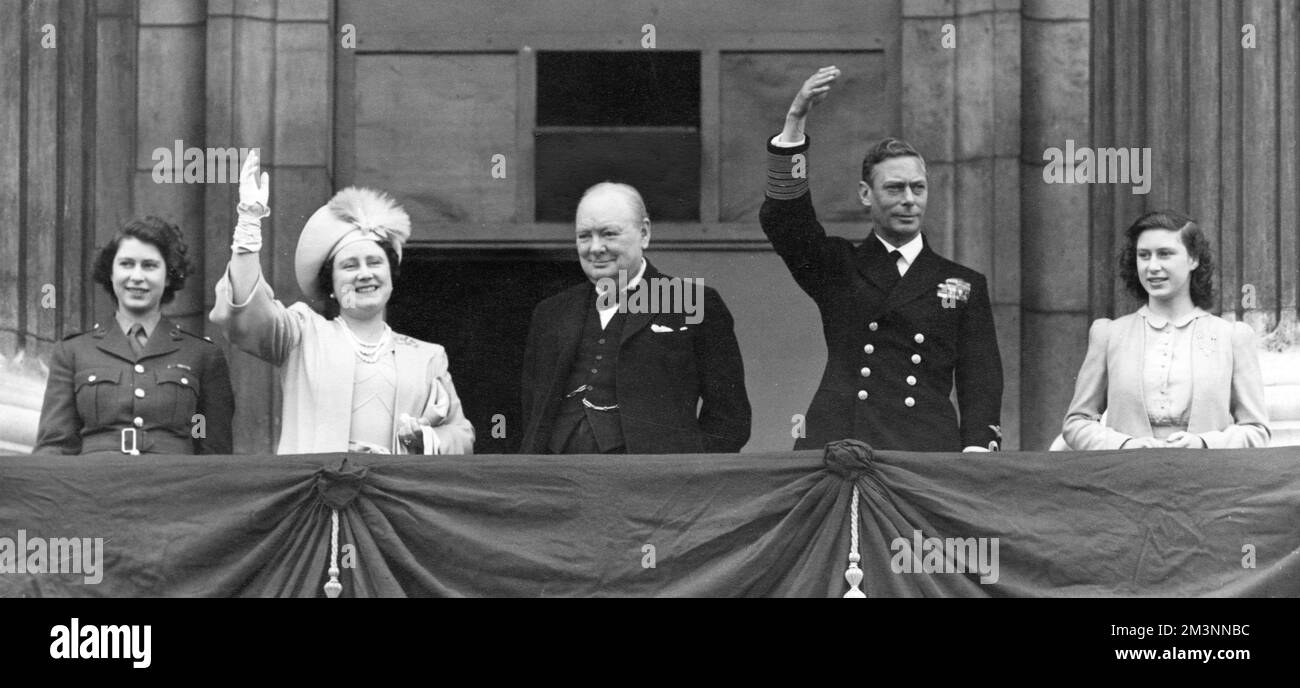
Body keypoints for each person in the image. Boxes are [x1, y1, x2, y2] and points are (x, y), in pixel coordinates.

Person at [760, 66, 1004, 452]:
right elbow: (786, 222)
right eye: (894, 188)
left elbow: (981, 377)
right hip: (841, 443)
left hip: (924, 450)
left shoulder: (964, 283)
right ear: (865, 194)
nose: (909, 199)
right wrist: (794, 123)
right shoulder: (838, 266)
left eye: (918, 188)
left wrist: (976, 447)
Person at [209, 150, 474, 455]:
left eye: (374, 262)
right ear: (331, 284)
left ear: (390, 275)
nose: (364, 274)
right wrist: (249, 223)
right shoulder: (302, 334)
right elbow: (244, 314)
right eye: (349, 266)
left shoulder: (428, 357)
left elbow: (462, 436)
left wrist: (425, 440)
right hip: (317, 496)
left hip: (391, 499)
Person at [519, 182, 751, 454]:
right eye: (584, 236)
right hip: (558, 480)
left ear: (644, 234)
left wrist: (686, 476)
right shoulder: (551, 312)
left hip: (651, 486)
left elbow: (729, 418)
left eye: (608, 234)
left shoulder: (693, 302)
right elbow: (532, 409)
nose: (595, 248)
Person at [1062, 210, 1270, 449]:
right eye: (1144, 255)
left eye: (1165, 254)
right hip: (1126, 481)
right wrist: (1124, 445)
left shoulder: (1232, 337)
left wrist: (1203, 443)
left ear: (1193, 259)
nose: (1152, 266)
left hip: (1208, 481)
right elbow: (1076, 423)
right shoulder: (1109, 334)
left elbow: (1257, 430)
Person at [34, 217, 234, 454]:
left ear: (169, 275)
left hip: (173, 487)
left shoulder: (202, 356)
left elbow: (212, 451)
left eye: (149, 265)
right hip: (95, 487)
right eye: (127, 264)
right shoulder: (73, 353)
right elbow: (56, 446)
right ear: (110, 273)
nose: (137, 276)